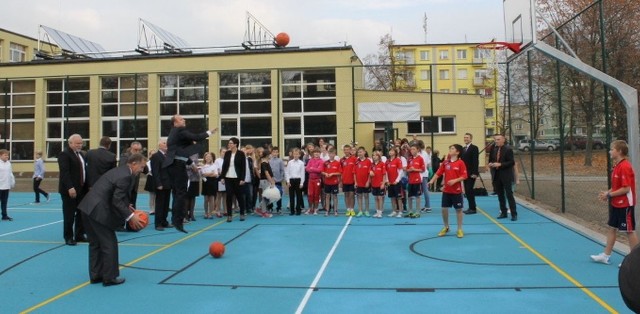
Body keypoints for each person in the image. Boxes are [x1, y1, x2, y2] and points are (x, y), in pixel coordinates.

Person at [78, 153, 146, 287]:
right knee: (109, 243)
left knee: (95, 243)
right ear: (133, 164)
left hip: (87, 207)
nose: (142, 170)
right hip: (99, 211)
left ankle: (96, 275)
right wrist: (131, 216)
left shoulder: (119, 171)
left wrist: (127, 206)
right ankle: (109, 277)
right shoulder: (126, 176)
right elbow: (116, 199)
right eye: (141, 166)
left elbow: (112, 193)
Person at [162, 114, 217, 232]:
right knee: (181, 193)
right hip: (177, 165)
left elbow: (180, 150)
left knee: (177, 193)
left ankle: (176, 219)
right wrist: (209, 133)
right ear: (175, 123)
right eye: (181, 119)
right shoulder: (180, 130)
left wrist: (191, 161)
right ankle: (178, 221)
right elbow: (196, 137)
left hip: (173, 164)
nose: (184, 120)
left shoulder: (173, 134)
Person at [590, 140, 639, 266]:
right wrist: (608, 193)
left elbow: (626, 188)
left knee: (629, 230)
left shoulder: (625, 166)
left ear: (620, 151)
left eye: (612, 149)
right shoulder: (616, 166)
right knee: (612, 228)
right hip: (616, 204)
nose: (610, 151)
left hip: (626, 204)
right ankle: (606, 255)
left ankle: (635, 261)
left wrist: (610, 194)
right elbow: (617, 187)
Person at [429, 144, 468, 238]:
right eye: (450, 148)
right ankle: (446, 227)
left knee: (458, 210)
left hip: (457, 191)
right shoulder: (446, 162)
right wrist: (431, 181)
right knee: (444, 209)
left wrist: (455, 180)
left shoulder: (461, 163)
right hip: (446, 191)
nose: (450, 150)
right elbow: (438, 173)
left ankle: (459, 229)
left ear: (457, 152)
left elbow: (464, 176)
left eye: (452, 148)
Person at [58, 134, 87, 245]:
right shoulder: (64, 154)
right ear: (70, 143)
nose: (80, 145)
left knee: (81, 213)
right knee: (69, 214)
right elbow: (65, 173)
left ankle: (79, 234)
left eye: (81, 143)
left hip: (82, 189)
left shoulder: (81, 155)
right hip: (69, 190)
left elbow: (84, 171)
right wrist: (70, 187)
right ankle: (68, 237)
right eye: (77, 143)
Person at [488, 134, 518, 221]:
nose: (496, 141)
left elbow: (511, 162)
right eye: (495, 140)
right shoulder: (493, 148)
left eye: (498, 139)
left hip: (506, 175)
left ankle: (513, 214)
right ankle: (503, 212)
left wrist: (500, 164)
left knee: (509, 195)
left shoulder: (508, 150)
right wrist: (491, 164)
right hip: (497, 174)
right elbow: (491, 159)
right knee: (500, 195)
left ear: (503, 140)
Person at [220, 137, 247, 222]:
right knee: (229, 196)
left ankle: (242, 213)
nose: (229, 144)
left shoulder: (241, 154)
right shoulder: (227, 153)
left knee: (239, 196)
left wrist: (242, 178)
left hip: (237, 178)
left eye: (231, 143)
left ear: (235, 144)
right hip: (228, 177)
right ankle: (229, 215)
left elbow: (243, 167)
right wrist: (222, 177)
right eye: (229, 143)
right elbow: (224, 166)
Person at [150, 139, 172, 230]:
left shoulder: (168, 156)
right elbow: (155, 171)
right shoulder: (156, 156)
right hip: (161, 184)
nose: (166, 144)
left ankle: (164, 221)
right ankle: (158, 223)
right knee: (160, 204)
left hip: (168, 183)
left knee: (166, 204)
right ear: (159, 145)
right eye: (164, 143)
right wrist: (158, 183)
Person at [119, 141, 146, 208]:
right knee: (125, 204)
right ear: (131, 149)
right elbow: (122, 169)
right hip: (126, 184)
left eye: (139, 150)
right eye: (135, 150)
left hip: (135, 185)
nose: (137, 152)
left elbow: (145, 171)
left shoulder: (141, 158)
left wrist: (143, 163)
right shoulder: (125, 156)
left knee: (133, 204)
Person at [461, 133, 480, 215]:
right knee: (467, 191)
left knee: (469, 190)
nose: (465, 139)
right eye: (465, 137)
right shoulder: (463, 148)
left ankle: (473, 208)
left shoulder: (474, 148)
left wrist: (475, 173)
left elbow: (475, 161)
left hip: (471, 173)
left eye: (467, 138)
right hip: (465, 173)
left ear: (471, 139)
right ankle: (471, 207)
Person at [406, 143, 425, 218]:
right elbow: (407, 169)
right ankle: (410, 211)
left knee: (417, 196)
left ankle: (417, 211)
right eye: (411, 149)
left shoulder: (420, 158)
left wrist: (414, 169)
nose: (412, 150)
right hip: (410, 180)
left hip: (417, 180)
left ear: (418, 150)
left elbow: (423, 169)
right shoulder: (409, 159)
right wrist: (409, 170)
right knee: (409, 196)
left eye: (414, 149)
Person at [322, 147, 341, 216]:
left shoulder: (337, 163)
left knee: (335, 196)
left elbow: (339, 172)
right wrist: (325, 174)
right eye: (330, 153)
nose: (331, 155)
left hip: (334, 182)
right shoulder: (325, 163)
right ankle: (327, 210)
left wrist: (333, 174)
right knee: (327, 196)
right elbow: (322, 171)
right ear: (328, 154)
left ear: (335, 154)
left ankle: (335, 210)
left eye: (333, 153)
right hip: (327, 182)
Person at [285, 148, 305, 215]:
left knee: (299, 196)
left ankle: (298, 210)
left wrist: (302, 183)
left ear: (299, 155)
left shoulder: (301, 163)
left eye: (297, 154)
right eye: (294, 154)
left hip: (298, 180)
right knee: (291, 196)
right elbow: (287, 172)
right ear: (292, 154)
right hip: (291, 180)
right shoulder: (290, 162)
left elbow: (302, 173)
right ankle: (292, 211)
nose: (296, 155)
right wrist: (288, 181)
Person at [305, 148, 324, 215]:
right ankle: (310, 208)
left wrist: (312, 168)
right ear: (313, 154)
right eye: (315, 152)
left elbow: (319, 170)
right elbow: (307, 169)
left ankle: (315, 209)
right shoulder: (310, 160)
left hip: (317, 180)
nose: (316, 154)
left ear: (320, 153)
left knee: (316, 194)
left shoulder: (321, 161)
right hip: (310, 180)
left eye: (318, 152)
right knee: (310, 194)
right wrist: (313, 169)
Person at [386, 146, 403, 217]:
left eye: (392, 151)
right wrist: (387, 181)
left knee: (398, 197)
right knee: (392, 197)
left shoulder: (398, 160)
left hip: (396, 182)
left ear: (395, 152)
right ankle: (394, 211)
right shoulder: (387, 161)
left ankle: (400, 212)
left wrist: (397, 180)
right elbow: (386, 172)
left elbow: (401, 171)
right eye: (390, 151)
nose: (390, 152)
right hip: (390, 182)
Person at [354, 147, 372, 217]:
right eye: (358, 152)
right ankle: (360, 210)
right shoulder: (356, 162)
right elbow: (354, 173)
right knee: (359, 197)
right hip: (359, 183)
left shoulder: (368, 161)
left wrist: (368, 181)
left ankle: (367, 210)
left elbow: (369, 173)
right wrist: (355, 182)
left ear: (364, 152)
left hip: (366, 183)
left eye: (361, 152)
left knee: (366, 196)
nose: (360, 153)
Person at [257, 149, 275, 218]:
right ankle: (263, 212)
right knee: (266, 196)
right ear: (267, 155)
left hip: (267, 181)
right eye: (270, 154)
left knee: (268, 196)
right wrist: (271, 181)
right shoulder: (264, 163)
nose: (271, 155)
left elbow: (270, 173)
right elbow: (266, 173)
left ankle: (259, 208)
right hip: (265, 181)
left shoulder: (267, 162)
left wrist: (272, 179)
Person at [200, 152, 218, 219]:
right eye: (207, 157)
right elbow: (202, 174)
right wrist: (210, 173)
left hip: (212, 182)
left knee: (211, 198)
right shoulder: (202, 166)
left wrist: (207, 174)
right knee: (206, 199)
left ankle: (210, 213)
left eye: (210, 157)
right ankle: (206, 212)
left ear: (212, 158)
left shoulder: (214, 165)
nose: (208, 158)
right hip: (205, 182)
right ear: (204, 158)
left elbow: (216, 174)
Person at [268, 147, 285, 214]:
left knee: (279, 194)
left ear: (278, 153)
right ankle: (270, 207)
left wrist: (280, 179)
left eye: (276, 152)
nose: (275, 153)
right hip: (271, 181)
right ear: (271, 153)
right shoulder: (269, 160)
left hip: (278, 180)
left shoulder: (280, 160)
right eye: (273, 152)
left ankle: (279, 207)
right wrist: (270, 179)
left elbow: (282, 170)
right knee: (270, 194)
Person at [341, 144, 357, 217]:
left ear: (350, 150)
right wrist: (340, 181)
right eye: (345, 150)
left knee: (352, 195)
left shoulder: (354, 159)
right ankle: (348, 209)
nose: (346, 151)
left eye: (348, 149)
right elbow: (340, 171)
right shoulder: (341, 160)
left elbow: (356, 170)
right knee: (346, 195)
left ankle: (352, 209)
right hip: (344, 180)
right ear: (343, 151)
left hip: (352, 180)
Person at [370, 150, 387, 218]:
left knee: (380, 198)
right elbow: (370, 172)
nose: (374, 157)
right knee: (376, 198)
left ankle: (380, 211)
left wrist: (383, 183)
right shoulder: (372, 165)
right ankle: (377, 211)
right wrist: (370, 172)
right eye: (373, 155)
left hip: (380, 184)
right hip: (374, 184)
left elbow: (384, 174)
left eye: (376, 155)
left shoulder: (382, 164)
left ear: (379, 156)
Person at [0, 149, 15, 221]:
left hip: (6, 186)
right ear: (0, 155)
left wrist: (12, 182)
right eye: (5, 155)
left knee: (4, 201)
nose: (7, 156)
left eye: (7, 155)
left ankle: (4, 215)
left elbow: (10, 173)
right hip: (0, 186)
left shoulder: (8, 163)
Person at [419, 141, 432, 213]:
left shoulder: (423, 154)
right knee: (424, 190)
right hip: (422, 173)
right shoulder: (423, 153)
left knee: (425, 190)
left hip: (423, 174)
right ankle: (426, 205)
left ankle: (428, 206)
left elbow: (424, 164)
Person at [214, 148, 227, 218]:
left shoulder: (227, 160)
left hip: (227, 178)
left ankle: (225, 210)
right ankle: (218, 210)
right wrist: (222, 176)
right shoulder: (217, 160)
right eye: (223, 152)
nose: (224, 153)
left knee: (225, 195)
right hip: (219, 178)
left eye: (225, 152)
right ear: (220, 152)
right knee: (219, 196)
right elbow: (218, 170)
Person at [144, 149, 157, 214]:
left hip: (157, 179)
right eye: (152, 154)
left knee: (158, 196)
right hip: (151, 179)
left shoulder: (158, 162)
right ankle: (152, 209)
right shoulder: (148, 163)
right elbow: (148, 171)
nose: (153, 155)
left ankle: (157, 208)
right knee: (152, 196)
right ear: (149, 155)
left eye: (154, 154)